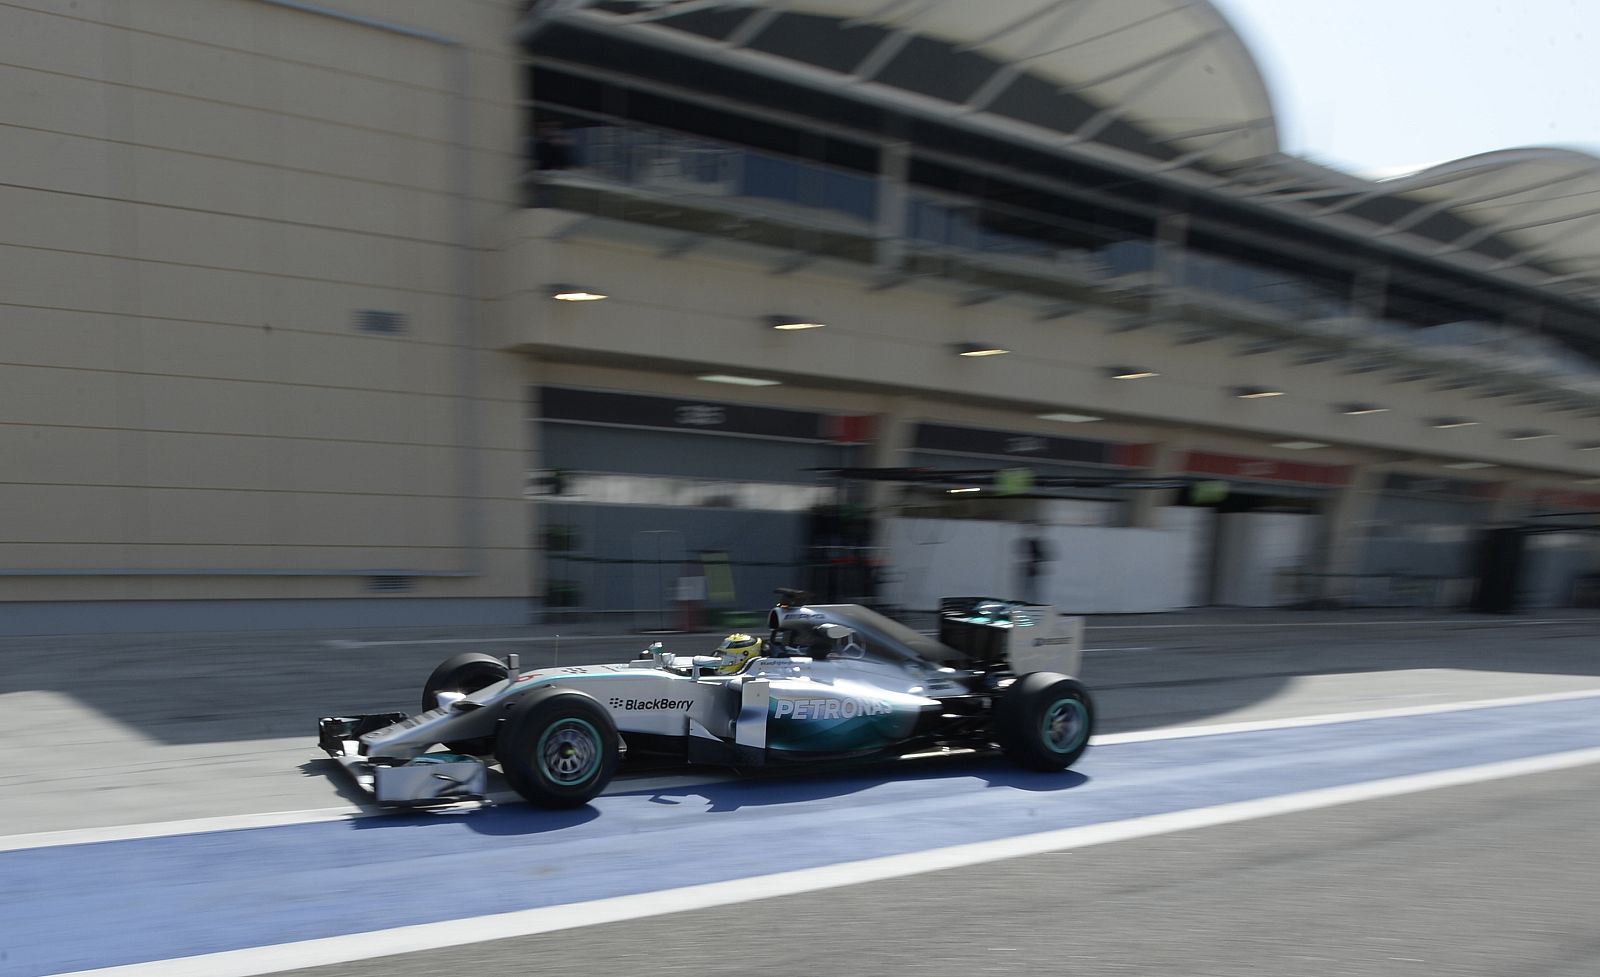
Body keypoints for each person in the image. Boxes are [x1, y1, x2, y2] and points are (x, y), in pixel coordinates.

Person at [1018, 526, 1052, 604]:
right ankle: (1027, 603)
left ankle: (1031, 603)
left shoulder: (1036, 543)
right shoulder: (1028, 542)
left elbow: (1044, 556)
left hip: (1033, 571)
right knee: (1028, 590)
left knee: (1033, 591)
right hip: (1028, 571)